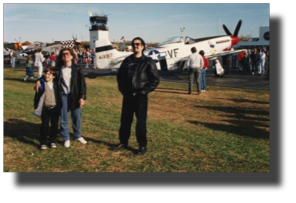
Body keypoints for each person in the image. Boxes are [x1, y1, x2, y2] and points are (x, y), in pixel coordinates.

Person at [114, 37, 160, 155]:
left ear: (143, 46)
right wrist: (122, 89)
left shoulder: (148, 61)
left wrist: (143, 91)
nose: (136, 46)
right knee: (125, 121)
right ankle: (123, 142)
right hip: (128, 96)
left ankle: (142, 145)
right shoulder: (127, 60)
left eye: (138, 44)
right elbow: (120, 76)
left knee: (141, 123)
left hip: (140, 97)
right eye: (134, 44)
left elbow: (155, 80)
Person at [35, 48, 87, 148]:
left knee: (76, 116)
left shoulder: (77, 69)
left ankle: (77, 135)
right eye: (63, 54)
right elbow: (48, 74)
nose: (65, 56)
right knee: (64, 117)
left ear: (72, 56)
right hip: (62, 95)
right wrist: (39, 80)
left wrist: (82, 97)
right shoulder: (58, 68)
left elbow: (82, 84)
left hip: (75, 96)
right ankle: (66, 137)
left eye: (67, 54)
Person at [33, 66, 59, 150]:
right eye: (46, 74)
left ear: (54, 76)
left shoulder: (57, 85)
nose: (47, 76)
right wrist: (38, 80)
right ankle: (43, 141)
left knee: (54, 125)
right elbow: (37, 96)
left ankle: (53, 140)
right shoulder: (42, 85)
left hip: (54, 108)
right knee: (44, 125)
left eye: (49, 74)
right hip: (45, 108)